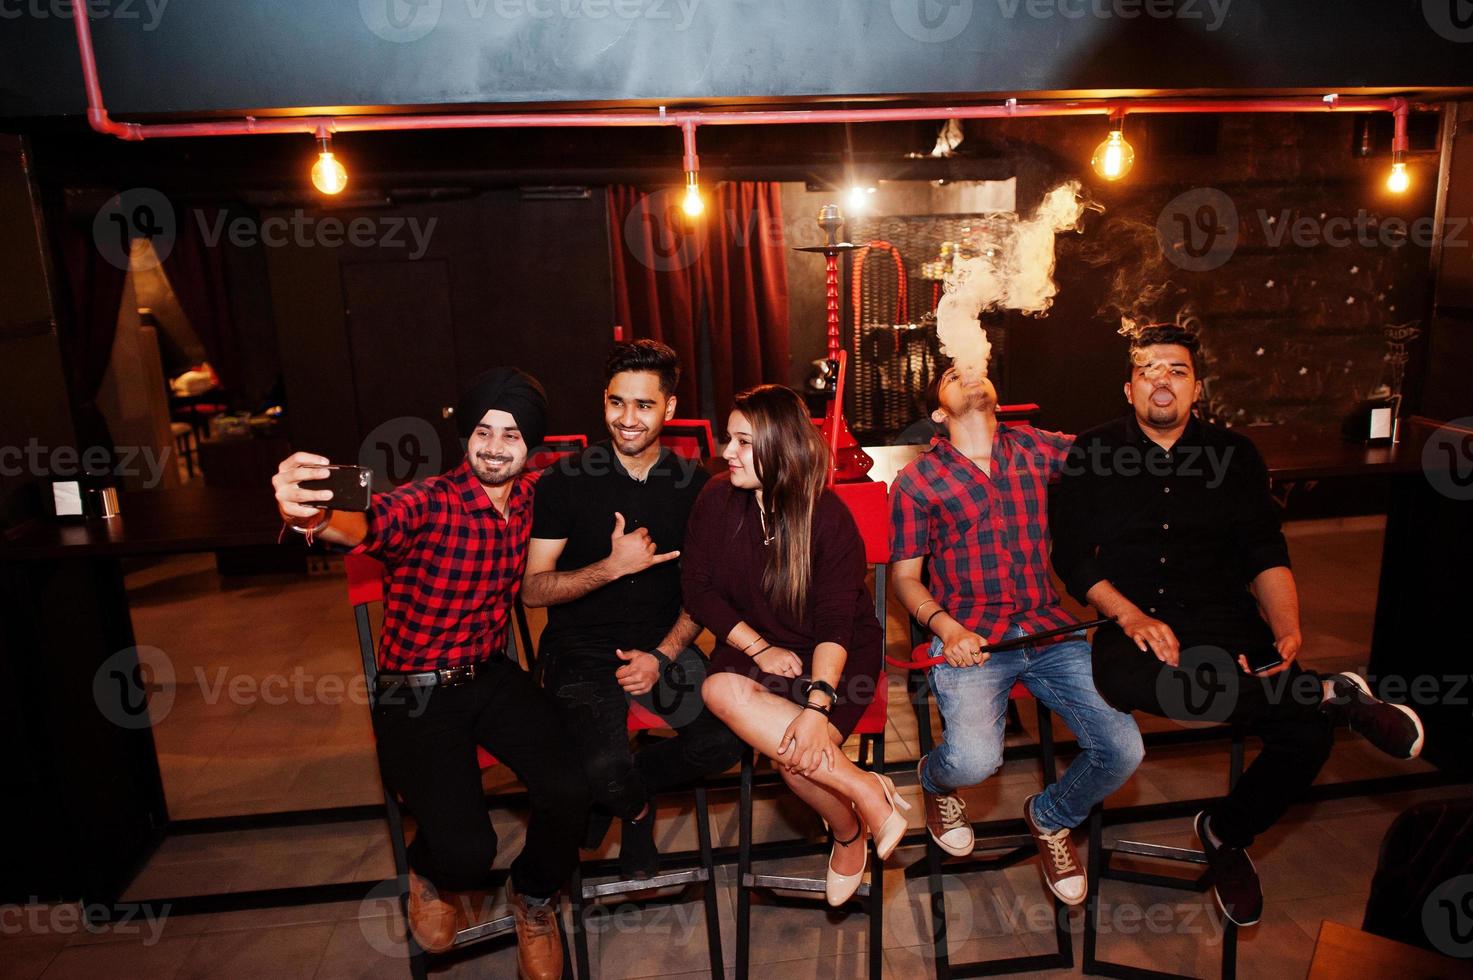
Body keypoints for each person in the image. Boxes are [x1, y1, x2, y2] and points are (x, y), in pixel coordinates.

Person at [1050, 324, 1425, 927]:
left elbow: (1264, 551)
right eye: (1149, 370)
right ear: (1128, 388)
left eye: (1176, 370)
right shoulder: (1093, 452)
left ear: (1197, 388)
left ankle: (1225, 833)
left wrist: (1288, 627)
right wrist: (1130, 614)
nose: (1162, 380)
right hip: (1135, 621)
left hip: (1225, 621)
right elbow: (1073, 556)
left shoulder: (1236, 455)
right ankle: (1330, 692)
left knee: (1306, 736)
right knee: (1136, 684)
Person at [271, 368, 585, 980]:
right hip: (414, 692)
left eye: (513, 435)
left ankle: (536, 898)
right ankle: (430, 871)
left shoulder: (532, 499)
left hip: (490, 674)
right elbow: (365, 522)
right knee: (470, 854)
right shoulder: (430, 502)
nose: (495, 446)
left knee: (575, 786)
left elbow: (596, 477)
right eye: (484, 431)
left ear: (532, 445)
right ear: (466, 435)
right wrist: (308, 513)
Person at [889, 359, 1143, 906]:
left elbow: (1112, 454)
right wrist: (945, 627)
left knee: (1123, 749)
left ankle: (1051, 817)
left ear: (998, 395)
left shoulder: (1034, 447)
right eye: (954, 374)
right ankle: (935, 780)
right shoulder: (918, 481)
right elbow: (904, 579)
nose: (971, 375)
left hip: (1050, 632)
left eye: (977, 367)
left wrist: (1153, 404)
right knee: (977, 761)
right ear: (938, 411)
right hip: (971, 640)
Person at [521, 340, 742, 879]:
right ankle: (635, 811)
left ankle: (621, 789)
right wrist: (611, 568)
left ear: (668, 409)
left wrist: (662, 656)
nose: (627, 418)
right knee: (599, 766)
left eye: (644, 405)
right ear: (604, 401)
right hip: (580, 650)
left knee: (728, 740)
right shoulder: (564, 480)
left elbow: (703, 593)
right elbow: (532, 590)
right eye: (617, 402)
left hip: (664, 642)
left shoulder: (697, 488)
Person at [684, 384, 907, 907]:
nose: (726, 453)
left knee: (794, 758)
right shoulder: (716, 498)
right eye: (729, 439)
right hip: (756, 639)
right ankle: (865, 789)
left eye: (743, 442)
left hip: (836, 650)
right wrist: (758, 649)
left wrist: (816, 705)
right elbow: (698, 591)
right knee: (718, 688)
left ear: (779, 448)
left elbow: (835, 623)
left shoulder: (826, 516)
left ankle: (847, 836)